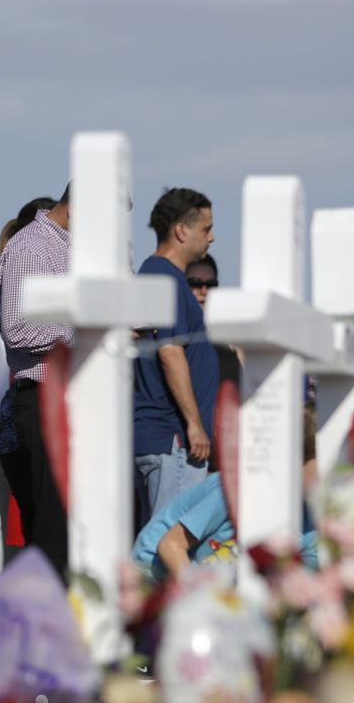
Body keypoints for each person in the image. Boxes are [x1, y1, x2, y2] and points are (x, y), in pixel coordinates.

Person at [132, 407, 320, 583]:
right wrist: (200, 600)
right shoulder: (234, 489)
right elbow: (171, 546)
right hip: (154, 570)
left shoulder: (311, 525)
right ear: (294, 460)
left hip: (210, 579)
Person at [133, 188, 219, 530]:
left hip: (168, 439)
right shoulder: (163, 276)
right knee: (168, 544)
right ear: (181, 231)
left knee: (163, 542)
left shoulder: (162, 276)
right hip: (173, 439)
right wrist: (194, 425)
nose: (212, 237)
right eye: (206, 228)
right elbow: (170, 352)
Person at [0, 186, 73, 576]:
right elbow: (18, 329)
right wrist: (87, 332)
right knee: (54, 538)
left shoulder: (73, 249)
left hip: (74, 403)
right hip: (46, 400)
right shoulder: (31, 248)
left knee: (74, 536)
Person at [185, 252, 240, 391]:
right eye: (195, 283)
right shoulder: (167, 335)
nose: (204, 290)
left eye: (211, 284)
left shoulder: (231, 338)